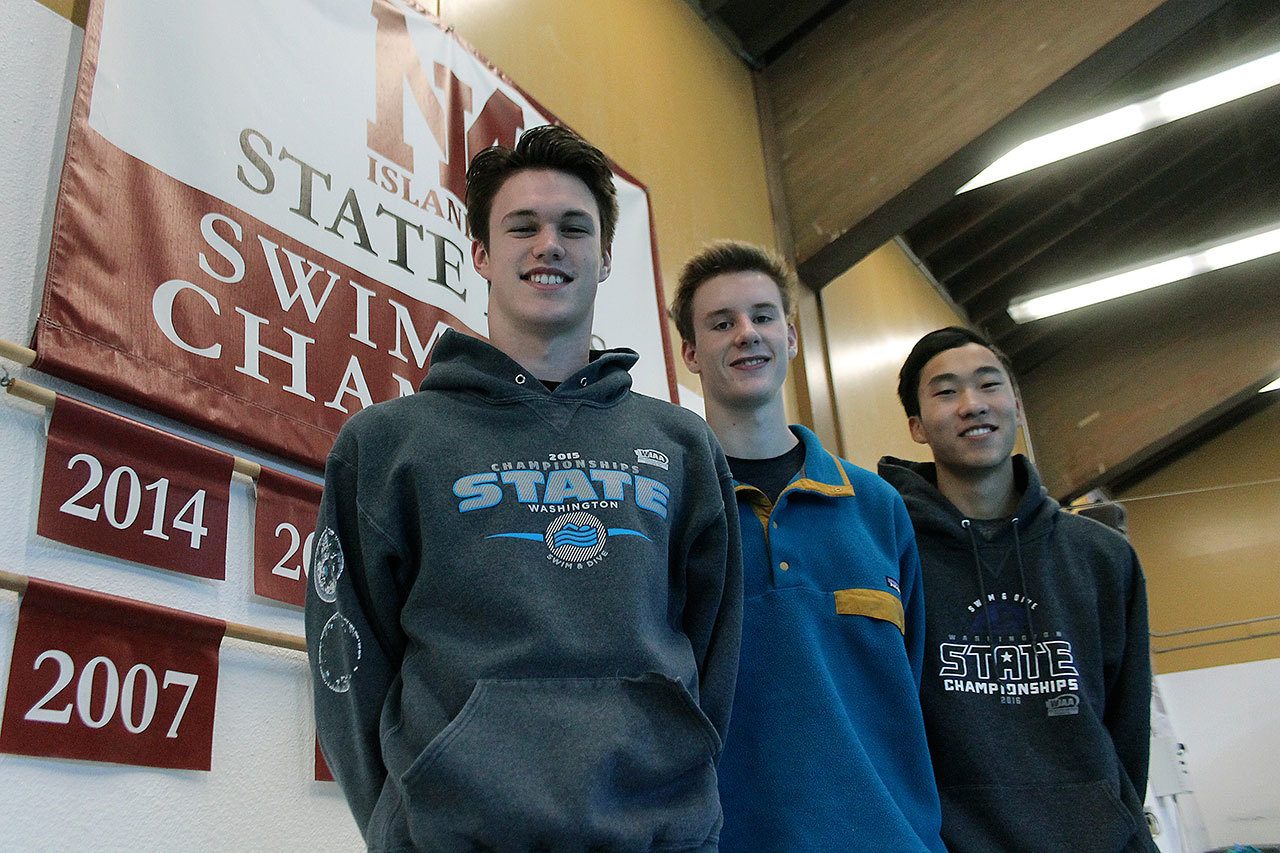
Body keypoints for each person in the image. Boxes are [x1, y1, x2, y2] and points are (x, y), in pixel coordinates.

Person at [306, 126, 742, 852]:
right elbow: (346, 659)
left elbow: (716, 647)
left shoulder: (681, 444)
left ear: (604, 257)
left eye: (575, 227)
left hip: (660, 835)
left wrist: (680, 780)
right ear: (481, 252)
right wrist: (397, 823)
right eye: (523, 226)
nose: (550, 245)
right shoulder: (386, 444)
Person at [671, 240, 945, 852]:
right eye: (722, 323)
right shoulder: (671, 509)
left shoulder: (879, 508)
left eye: (763, 316)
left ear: (791, 337)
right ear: (689, 352)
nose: (747, 333)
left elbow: (917, 688)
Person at [878, 326, 1156, 852]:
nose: (972, 405)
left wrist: (1108, 816)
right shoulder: (887, 554)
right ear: (916, 426)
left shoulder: (1102, 557)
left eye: (989, 385)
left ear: (1017, 407)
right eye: (945, 391)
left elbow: (1128, 726)